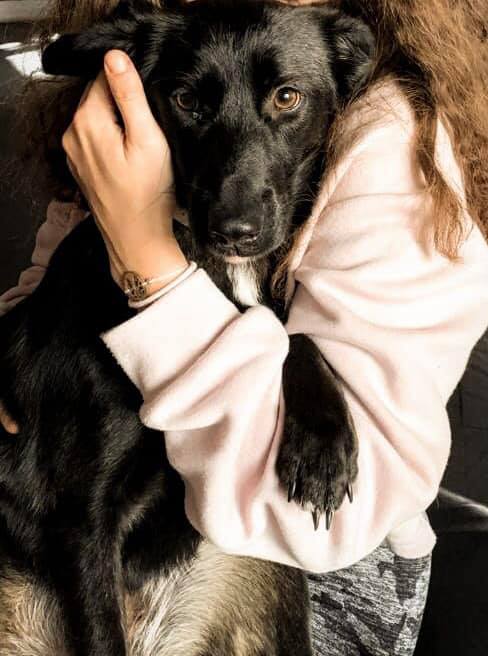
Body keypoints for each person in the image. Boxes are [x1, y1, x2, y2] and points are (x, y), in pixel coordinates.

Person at [1, 0, 488, 654]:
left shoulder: (397, 139)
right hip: (94, 520)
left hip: (319, 553)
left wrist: (145, 251)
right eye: (190, 104)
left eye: (285, 99)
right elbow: (46, 303)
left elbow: (318, 524)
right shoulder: (153, 58)